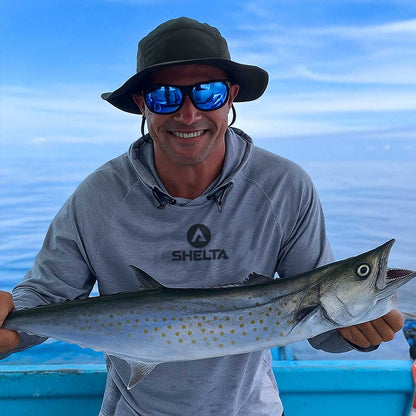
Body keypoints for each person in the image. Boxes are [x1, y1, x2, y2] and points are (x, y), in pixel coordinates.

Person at [0, 17, 404, 416]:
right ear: (143, 104)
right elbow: (43, 301)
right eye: (165, 96)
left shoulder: (284, 187)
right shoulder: (98, 198)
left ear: (231, 97)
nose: (188, 114)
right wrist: (9, 325)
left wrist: (359, 335)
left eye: (206, 93)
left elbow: (325, 332)